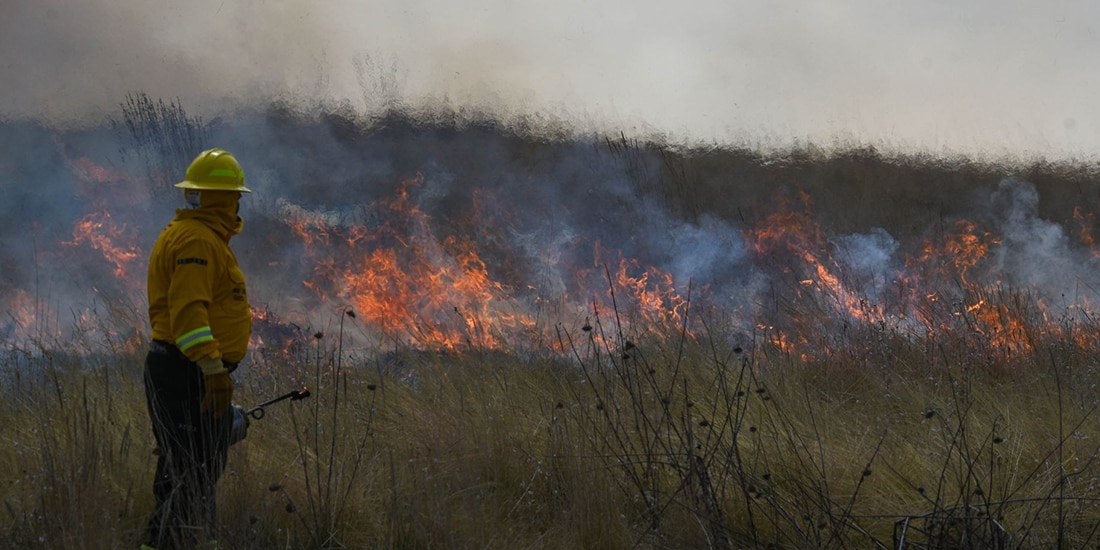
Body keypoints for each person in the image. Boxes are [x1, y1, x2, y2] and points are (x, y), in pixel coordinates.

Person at [141, 148, 252, 549]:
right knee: (190, 482)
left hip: (182, 372)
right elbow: (189, 316)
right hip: (186, 373)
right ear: (221, 199)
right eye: (235, 196)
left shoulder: (195, 236)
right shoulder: (198, 241)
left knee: (186, 475)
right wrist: (213, 371)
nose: (238, 204)